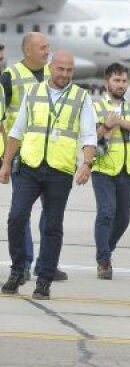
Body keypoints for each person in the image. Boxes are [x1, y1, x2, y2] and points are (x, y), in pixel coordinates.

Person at [0, 50, 97, 299]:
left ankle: (44, 279)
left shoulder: (81, 97)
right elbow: (17, 131)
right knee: (16, 217)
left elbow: (88, 135)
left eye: (69, 70)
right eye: (60, 69)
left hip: (59, 171)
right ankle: (18, 269)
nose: (65, 74)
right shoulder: (33, 93)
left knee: (52, 226)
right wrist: (6, 163)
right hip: (29, 167)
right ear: (50, 68)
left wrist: (86, 163)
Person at [1, 32, 61, 283]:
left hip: (53, 155)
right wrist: (6, 155)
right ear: (28, 50)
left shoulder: (54, 76)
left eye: (48, 47)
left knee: (51, 214)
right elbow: (2, 118)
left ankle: (45, 264)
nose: (48, 51)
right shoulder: (9, 77)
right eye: (42, 48)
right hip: (22, 155)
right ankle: (23, 262)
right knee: (21, 211)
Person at [91, 63, 130, 279]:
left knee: (123, 218)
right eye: (116, 80)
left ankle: (106, 248)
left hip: (127, 171)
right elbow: (91, 137)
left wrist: (121, 122)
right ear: (107, 83)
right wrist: (106, 126)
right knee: (106, 212)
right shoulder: (95, 107)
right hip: (103, 169)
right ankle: (104, 261)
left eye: (124, 81)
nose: (121, 85)